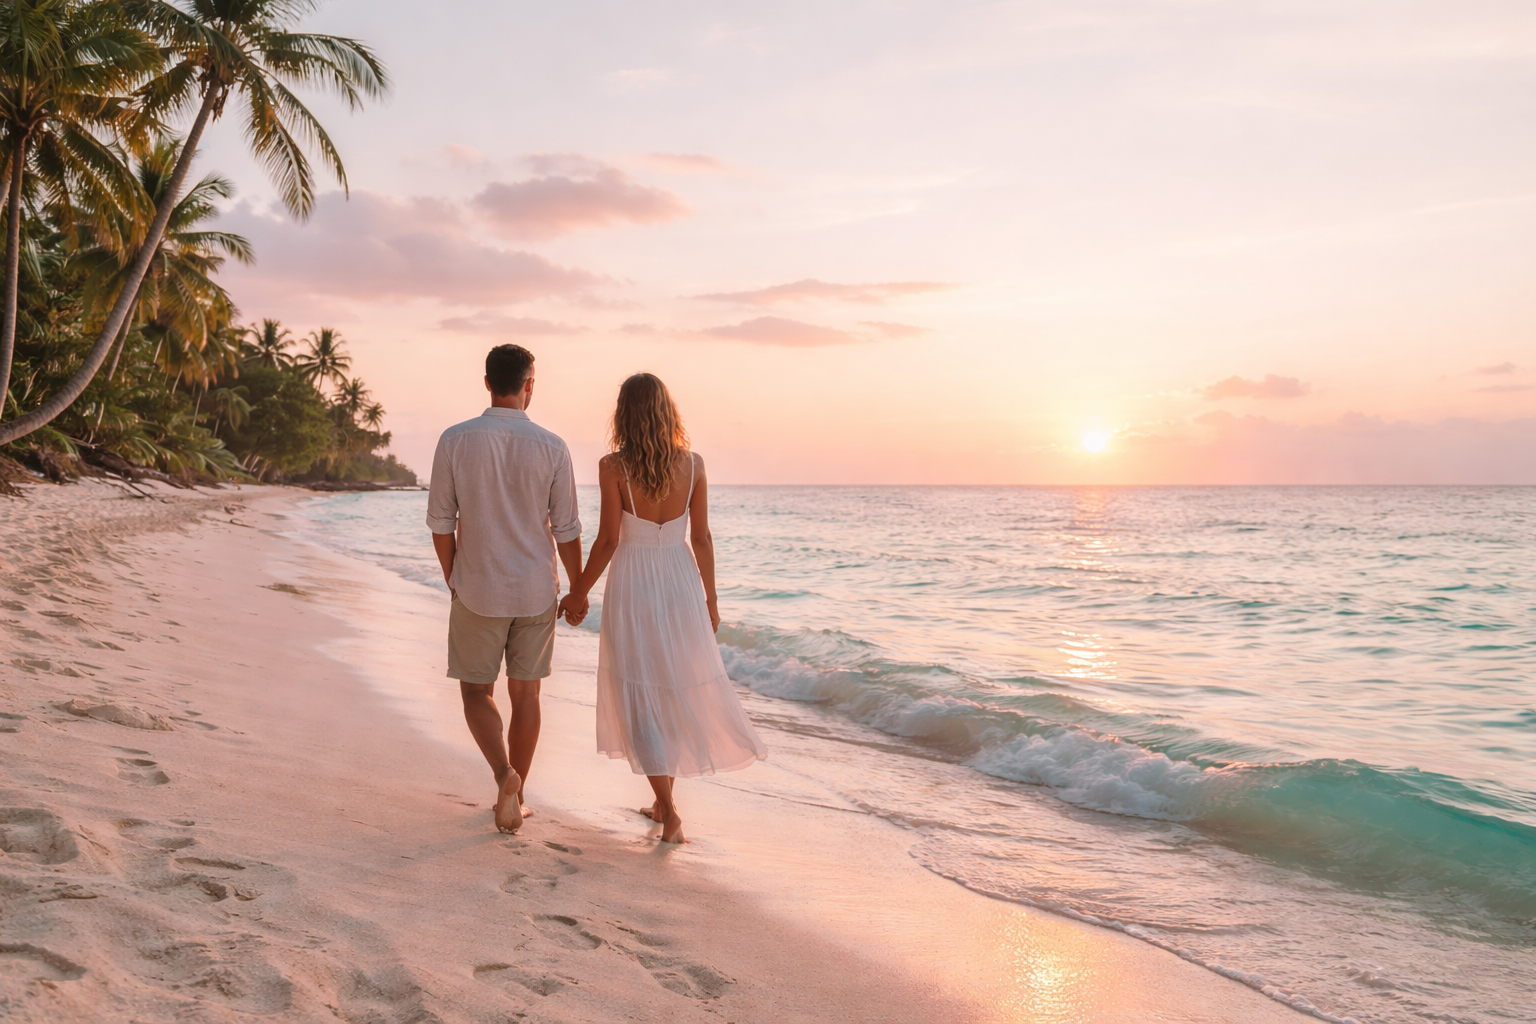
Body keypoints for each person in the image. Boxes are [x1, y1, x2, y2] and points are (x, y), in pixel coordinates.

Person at [564, 373, 766, 844]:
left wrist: (579, 592)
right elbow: (701, 539)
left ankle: (671, 813)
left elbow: (610, 540)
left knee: (640, 692)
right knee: (669, 689)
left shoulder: (613, 466)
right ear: (666, 411)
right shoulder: (693, 465)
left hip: (634, 581)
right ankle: (660, 803)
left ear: (624, 414)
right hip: (679, 582)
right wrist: (711, 599)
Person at [426, 344, 586, 833]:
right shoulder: (553, 446)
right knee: (528, 696)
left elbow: (440, 523)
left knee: (477, 690)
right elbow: (567, 530)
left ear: (487, 382)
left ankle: (503, 774)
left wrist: (454, 577)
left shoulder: (455, 439)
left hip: (477, 587)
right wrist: (577, 589)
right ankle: (515, 797)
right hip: (536, 590)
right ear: (529, 384)